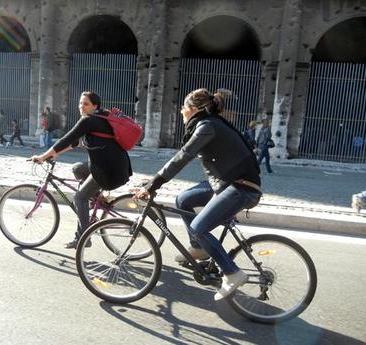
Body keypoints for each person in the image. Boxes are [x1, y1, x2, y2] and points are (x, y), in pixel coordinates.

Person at [134, 88, 262, 301]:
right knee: (184, 199)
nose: (181, 112)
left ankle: (232, 273)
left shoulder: (207, 126)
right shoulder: (209, 124)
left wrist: (153, 185)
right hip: (227, 183)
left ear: (193, 109)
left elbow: (182, 157)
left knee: (198, 227)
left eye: (183, 107)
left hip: (241, 187)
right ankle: (199, 248)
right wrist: (152, 182)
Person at [30, 91, 133, 249]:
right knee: (77, 168)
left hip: (108, 171)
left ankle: (84, 238)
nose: (81, 107)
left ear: (95, 106)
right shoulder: (101, 117)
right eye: (80, 103)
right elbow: (74, 143)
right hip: (115, 166)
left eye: (86, 104)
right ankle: (98, 199)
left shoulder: (89, 120)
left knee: (79, 198)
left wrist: (44, 156)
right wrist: (53, 154)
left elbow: (66, 139)